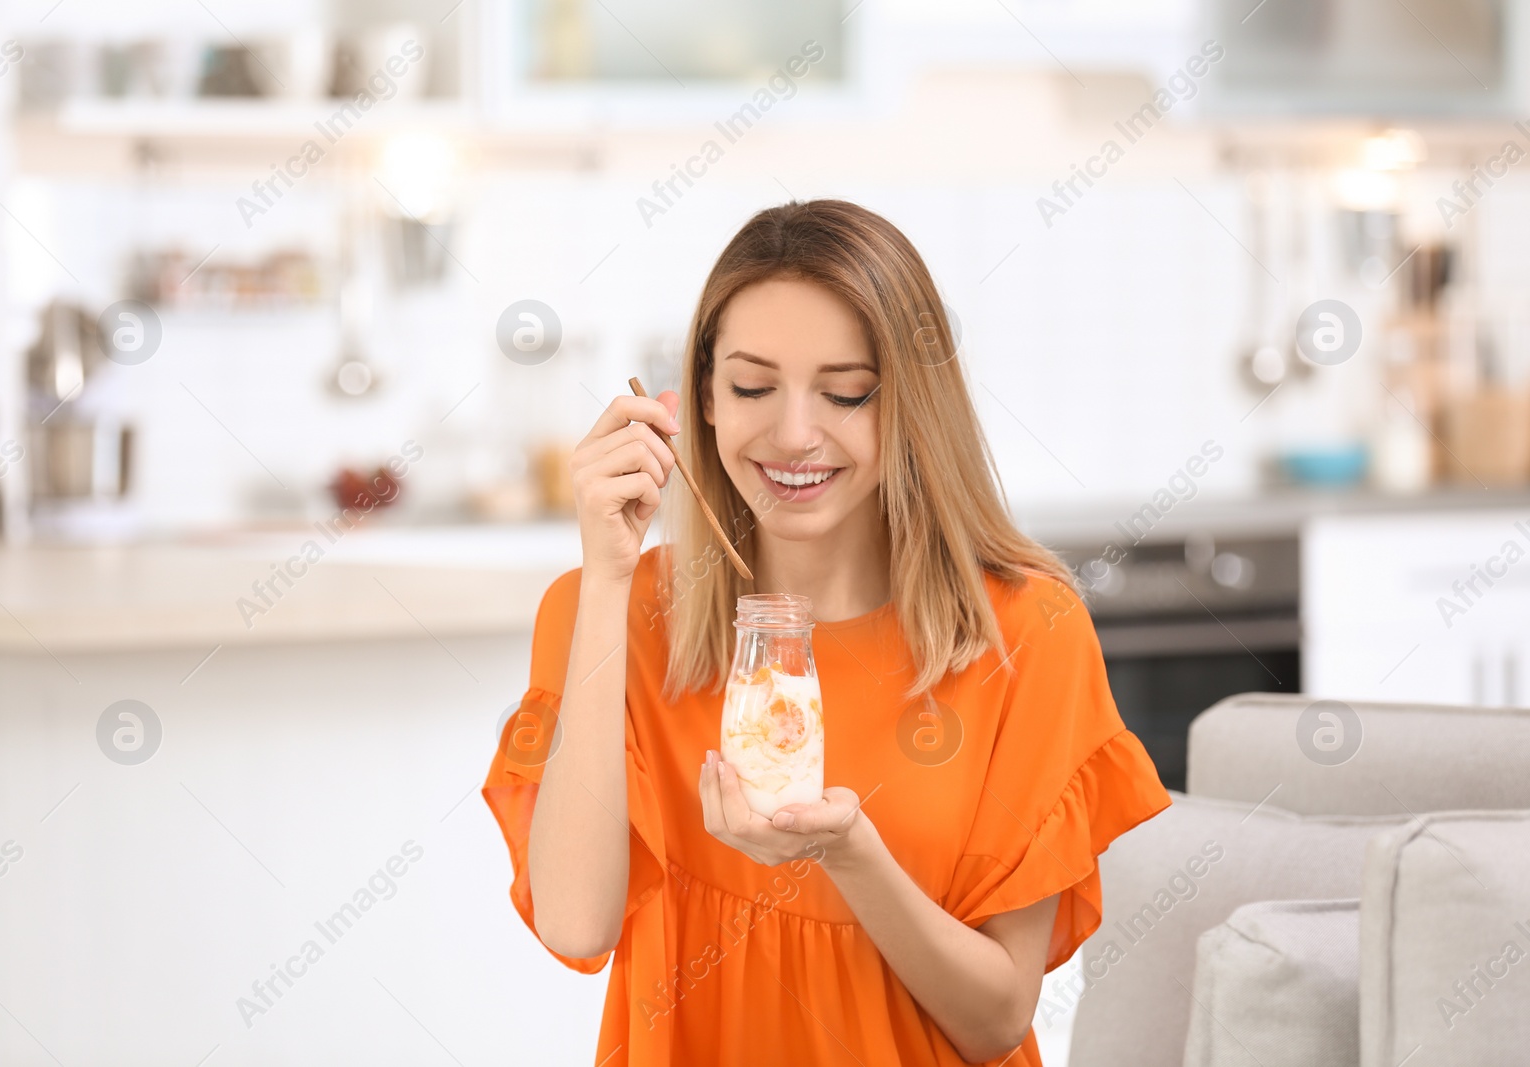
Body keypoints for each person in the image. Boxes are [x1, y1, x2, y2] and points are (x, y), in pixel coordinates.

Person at [483, 199, 1171, 1065]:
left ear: (913, 403)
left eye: (847, 393)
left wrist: (849, 855)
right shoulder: (608, 611)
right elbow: (577, 925)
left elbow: (997, 1017)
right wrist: (611, 576)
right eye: (752, 387)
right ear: (701, 395)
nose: (795, 434)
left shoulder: (1025, 629)